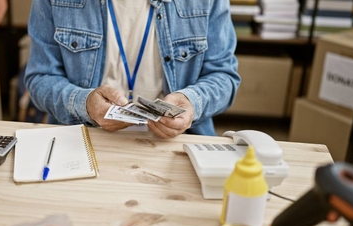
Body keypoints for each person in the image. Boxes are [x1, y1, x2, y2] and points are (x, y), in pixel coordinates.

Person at [25, 0, 241, 138]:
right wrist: (85, 105)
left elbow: (224, 76)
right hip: (84, 139)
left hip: (176, 143)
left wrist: (192, 102)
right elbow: (40, 77)